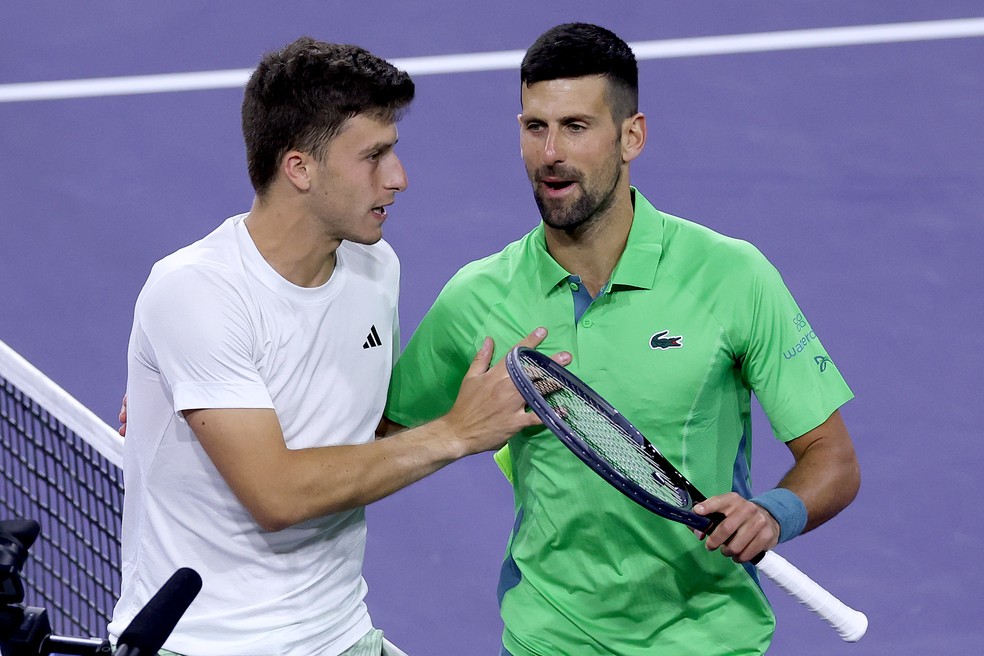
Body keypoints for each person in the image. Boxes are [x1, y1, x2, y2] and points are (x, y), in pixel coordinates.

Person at [382, 23, 861, 655]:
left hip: (709, 640)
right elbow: (378, 450)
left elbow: (833, 458)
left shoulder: (732, 275)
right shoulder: (476, 299)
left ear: (630, 136)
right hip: (548, 638)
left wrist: (774, 512)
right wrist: (452, 434)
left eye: (576, 126)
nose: (550, 152)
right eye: (535, 127)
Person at [108, 36, 566, 656]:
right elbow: (277, 496)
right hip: (209, 644)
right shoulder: (197, 291)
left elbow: (359, 431)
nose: (399, 178)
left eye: (393, 153)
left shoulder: (377, 271)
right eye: (373, 157)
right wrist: (456, 432)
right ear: (300, 167)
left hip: (341, 633)